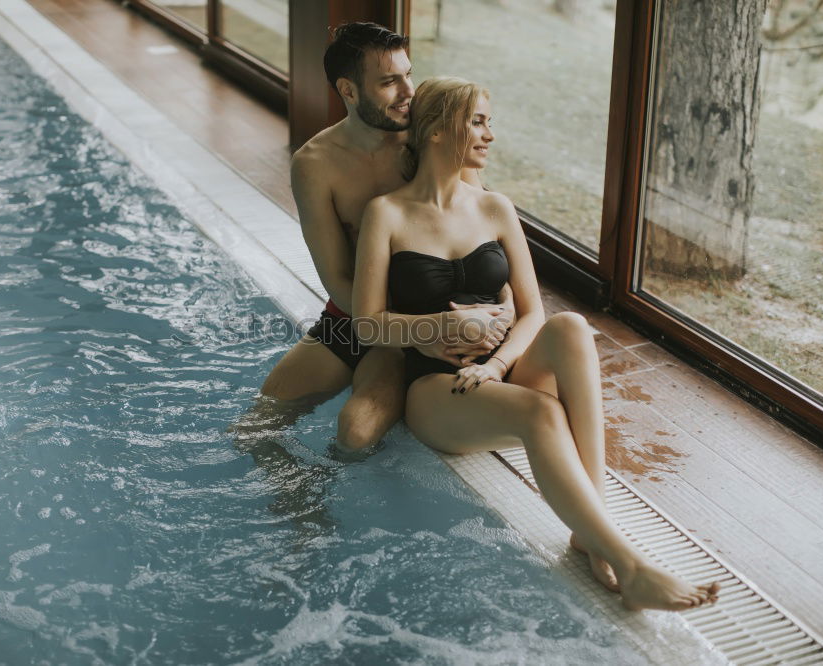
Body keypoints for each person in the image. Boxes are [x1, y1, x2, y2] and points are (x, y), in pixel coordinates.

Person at [351, 76, 721, 611]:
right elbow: (366, 324)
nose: (489, 135)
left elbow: (533, 313)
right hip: (433, 387)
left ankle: (592, 529)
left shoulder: (495, 207)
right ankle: (632, 566)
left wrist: (498, 364)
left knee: (570, 326)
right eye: (477, 121)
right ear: (435, 130)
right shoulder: (387, 213)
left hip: (498, 372)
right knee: (542, 413)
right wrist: (437, 327)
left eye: (488, 122)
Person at [255, 22, 512, 452]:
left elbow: (481, 239)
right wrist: (418, 331)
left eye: (408, 74)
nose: (409, 91)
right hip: (358, 319)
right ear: (349, 91)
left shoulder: (434, 138)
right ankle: (305, 512)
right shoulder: (315, 163)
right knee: (256, 427)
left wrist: (501, 307)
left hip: (437, 309)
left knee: (357, 430)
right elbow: (337, 276)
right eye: (390, 81)